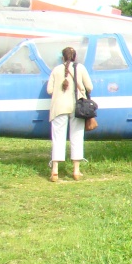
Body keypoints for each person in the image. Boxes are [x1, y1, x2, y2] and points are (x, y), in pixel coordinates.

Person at [46, 46, 93, 182]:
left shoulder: (56, 70)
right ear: (75, 57)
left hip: (59, 107)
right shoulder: (81, 68)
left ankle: (55, 171)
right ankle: (76, 171)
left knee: (58, 138)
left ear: (62, 57)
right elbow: (90, 87)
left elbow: (49, 90)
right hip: (77, 107)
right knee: (76, 136)